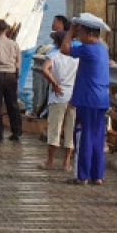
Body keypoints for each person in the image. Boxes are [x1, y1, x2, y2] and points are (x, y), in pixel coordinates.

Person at [68, 12, 111, 185]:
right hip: (101, 99)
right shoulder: (102, 49)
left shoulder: (87, 49)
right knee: (97, 137)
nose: (79, 35)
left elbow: (65, 48)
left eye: (81, 32)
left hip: (87, 100)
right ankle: (97, 175)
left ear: (87, 33)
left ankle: (82, 175)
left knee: (83, 136)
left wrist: (70, 31)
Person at [41, 30, 78, 171]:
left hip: (58, 95)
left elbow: (45, 69)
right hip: (73, 94)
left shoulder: (54, 55)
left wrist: (54, 83)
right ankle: (66, 163)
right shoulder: (76, 57)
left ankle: (50, 161)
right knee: (70, 129)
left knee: (54, 130)